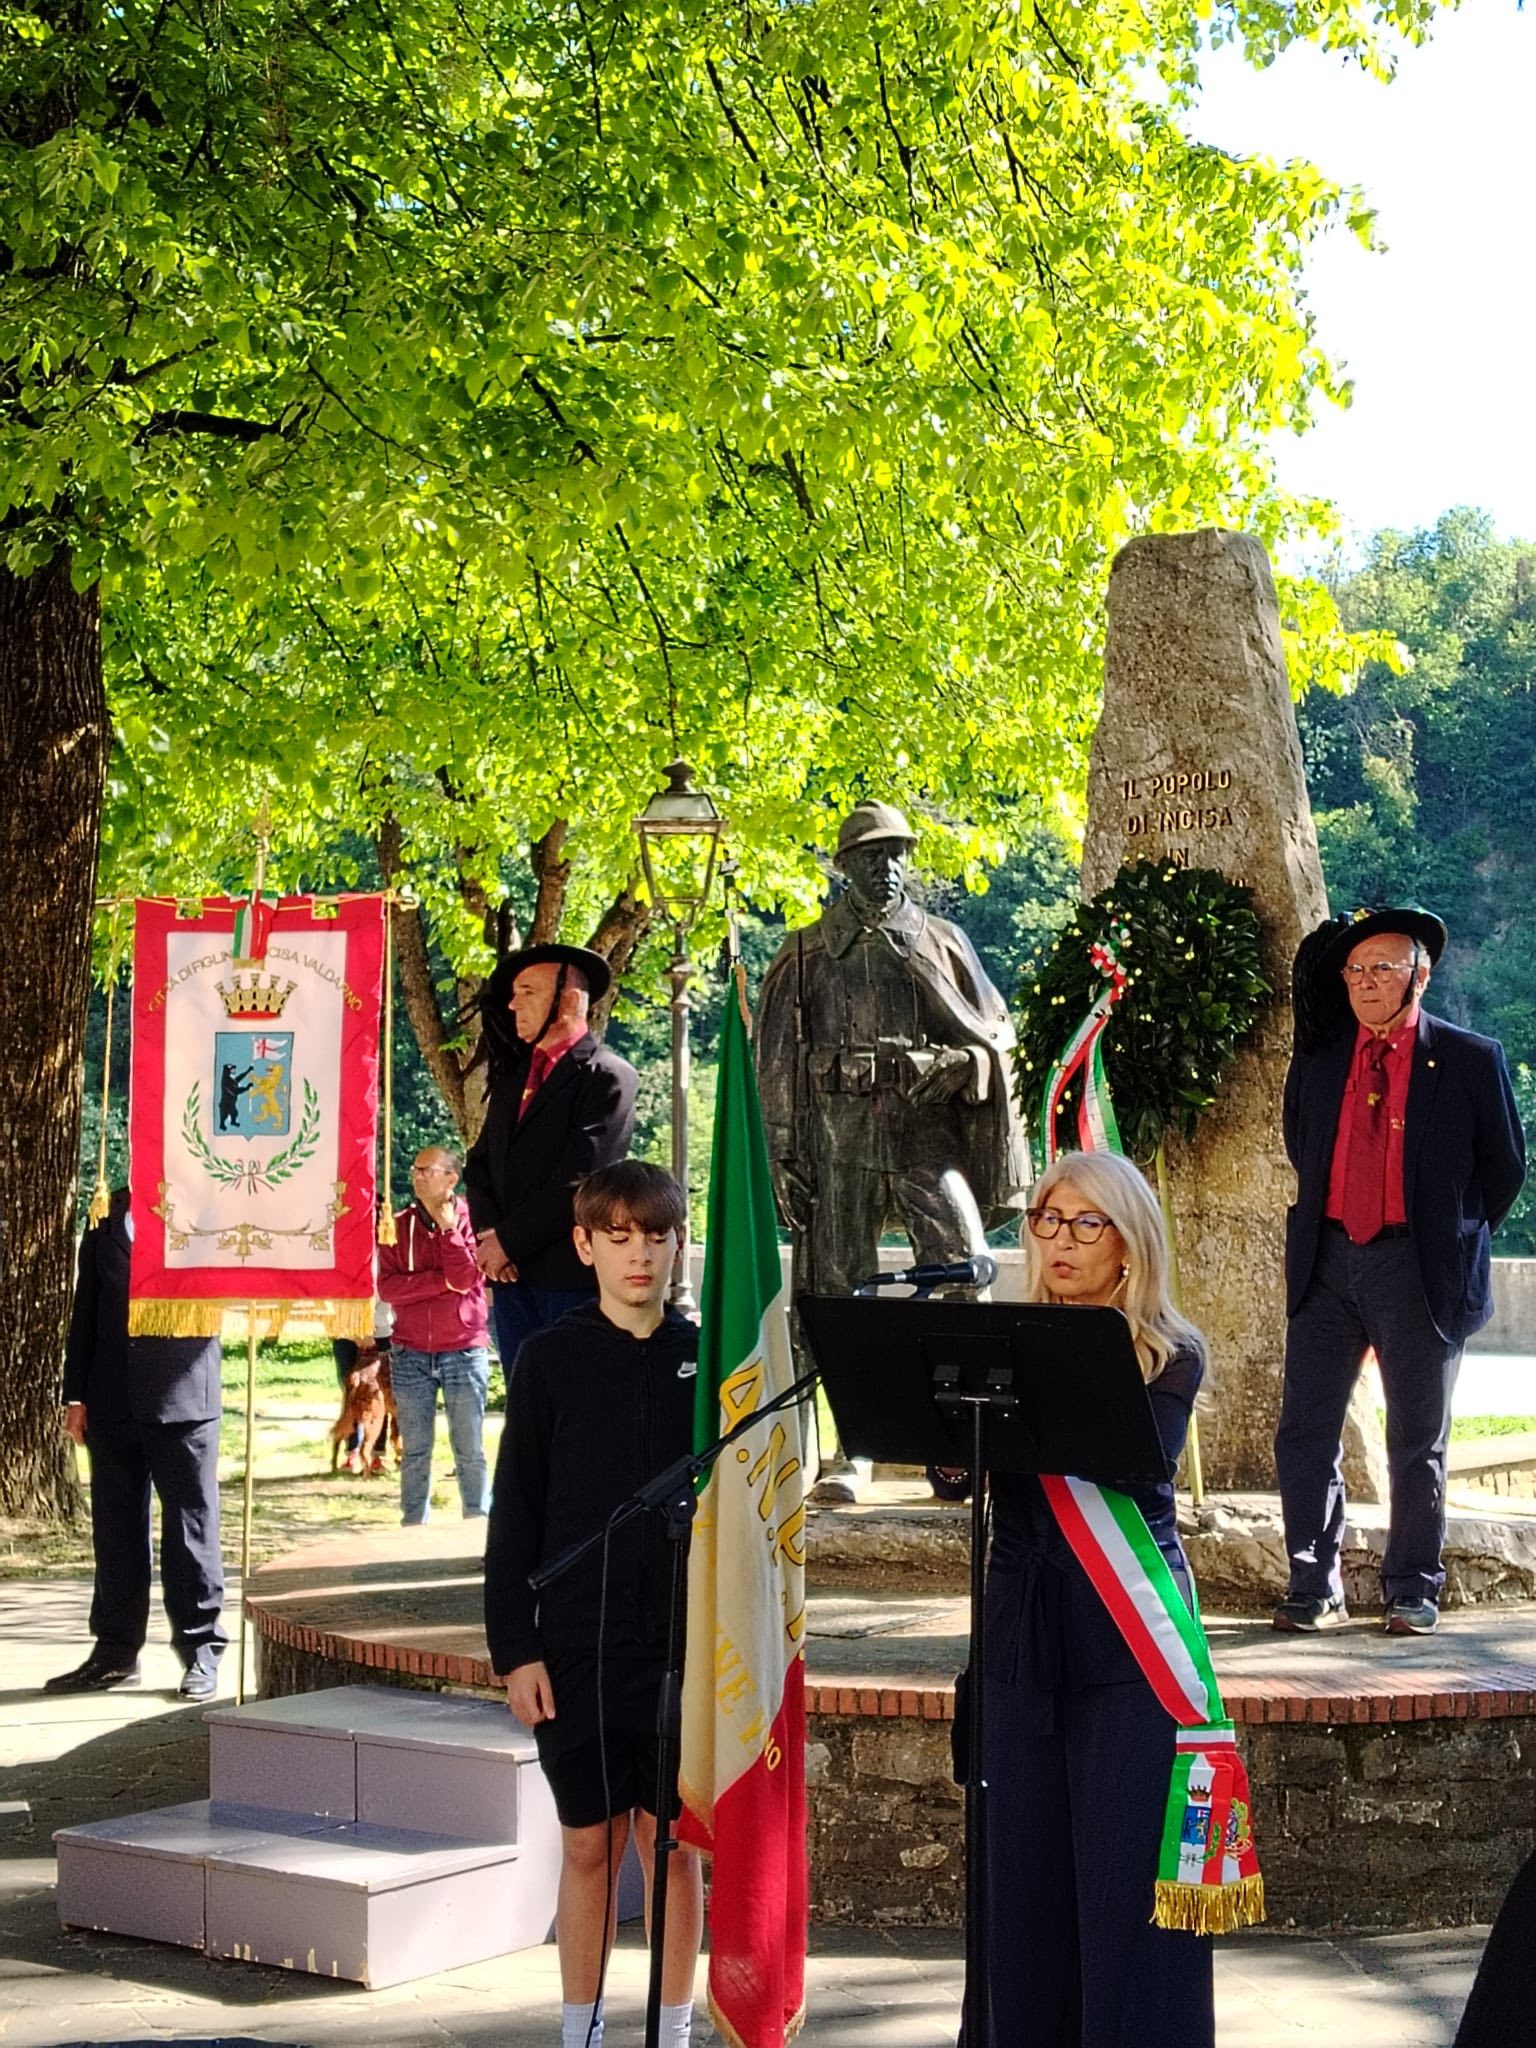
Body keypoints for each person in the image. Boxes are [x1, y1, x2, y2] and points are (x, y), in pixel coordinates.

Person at [978, 1149, 1214, 2047]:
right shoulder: (999, 1339)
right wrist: (954, 1438)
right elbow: (959, 1473)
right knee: (1022, 1886)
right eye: (1047, 1219)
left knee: (1129, 1888)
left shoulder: (1168, 1353)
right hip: (1021, 1633)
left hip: (1128, 1638)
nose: (1062, 1240)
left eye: (1087, 1223)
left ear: (1129, 1243)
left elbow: (1127, 1459)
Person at [484, 1161, 702, 2048]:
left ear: (679, 1242)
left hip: (685, 1647)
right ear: (583, 1245)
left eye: (654, 1236)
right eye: (617, 1237)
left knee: (670, 1848)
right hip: (578, 1641)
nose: (637, 1255)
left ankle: (671, 2030)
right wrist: (516, 1648)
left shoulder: (709, 1364)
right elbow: (515, 1515)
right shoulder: (548, 1360)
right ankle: (581, 2030)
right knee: (589, 1843)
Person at [755, 800, 1028, 1499]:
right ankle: (854, 1450)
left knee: (965, 1269)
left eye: (897, 853)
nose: (888, 866)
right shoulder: (805, 952)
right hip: (836, 1141)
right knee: (835, 1297)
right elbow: (776, 1062)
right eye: (872, 855)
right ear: (845, 866)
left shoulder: (942, 941)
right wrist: (780, 1153)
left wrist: (957, 1066)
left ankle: (960, 1444)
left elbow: (996, 1036)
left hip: (924, 1137)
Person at [1275, 906, 1526, 1636]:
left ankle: (1412, 1586)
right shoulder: (1321, 1058)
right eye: (1354, 970)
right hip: (1326, 1260)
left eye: (1382, 968)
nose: (1365, 982)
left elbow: (1504, 1168)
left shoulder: (1470, 1059)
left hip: (1418, 1266)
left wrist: (1444, 1235)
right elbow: (1301, 1143)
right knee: (1304, 1429)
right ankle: (1313, 1584)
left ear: (1421, 974)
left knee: (1417, 1438)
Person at [46, 1188, 226, 1699]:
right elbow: (86, 1309)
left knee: (190, 1527)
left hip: (182, 1395)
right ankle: (115, 1651)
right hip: (111, 1398)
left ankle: (201, 1649)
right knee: (115, 1530)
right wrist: (76, 1394)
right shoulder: (106, 1213)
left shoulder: (208, 1206)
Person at [466, 944, 638, 1380]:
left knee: (574, 1401)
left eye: (527, 991)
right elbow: (479, 1164)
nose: (512, 1004)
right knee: (525, 1404)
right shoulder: (512, 1079)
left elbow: (582, 1180)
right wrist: (490, 1239)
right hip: (511, 1279)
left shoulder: (608, 1076)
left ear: (569, 999)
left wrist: (508, 1242)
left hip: (569, 1281)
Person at [378, 1147, 490, 1523]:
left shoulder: (473, 1221)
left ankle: (476, 1522)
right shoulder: (396, 1225)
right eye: (415, 1169)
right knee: (414, 1450)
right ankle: (413, 1524)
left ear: (451, 1178)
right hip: (409, 1352)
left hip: (463, 1350)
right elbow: (388, 1288)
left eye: (427, 1170)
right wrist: (441, 1282)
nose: (417, 1175)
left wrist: (447, 1231)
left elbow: (465, 1278)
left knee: (470, 1448)